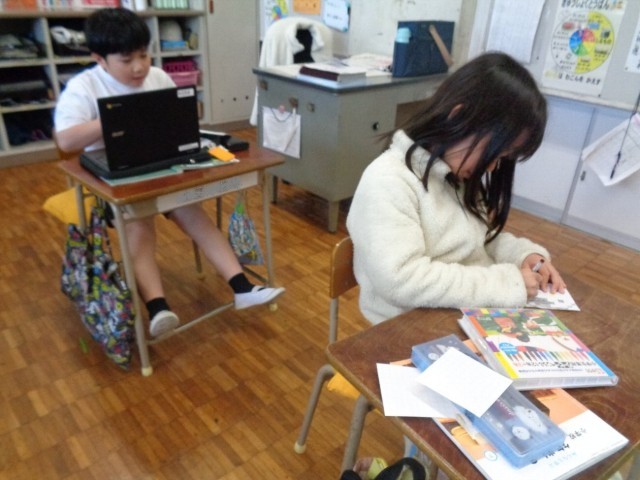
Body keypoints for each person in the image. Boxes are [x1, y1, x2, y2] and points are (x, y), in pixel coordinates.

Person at [54, 8, 284, 337]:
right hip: (113, 182)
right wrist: (117, 118)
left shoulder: (157, 77)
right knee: (139, 226)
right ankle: (158, 307)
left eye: (143, 55)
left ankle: (242, 288)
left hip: (162, 167)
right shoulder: (83, 87)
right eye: (126, 60)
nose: (139, 67)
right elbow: (65, 140)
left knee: (194, 214)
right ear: (100, 59)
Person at [346, 52, 566, 325]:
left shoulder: (455, 175)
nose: (492, 168)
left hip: (461, 316)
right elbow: (400, 279)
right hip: (407, 328)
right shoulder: (388, 180)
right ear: (459, 118)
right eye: (494, 153)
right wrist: (506, 283)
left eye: (503, 158)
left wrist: (523, 255)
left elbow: (480, 239)